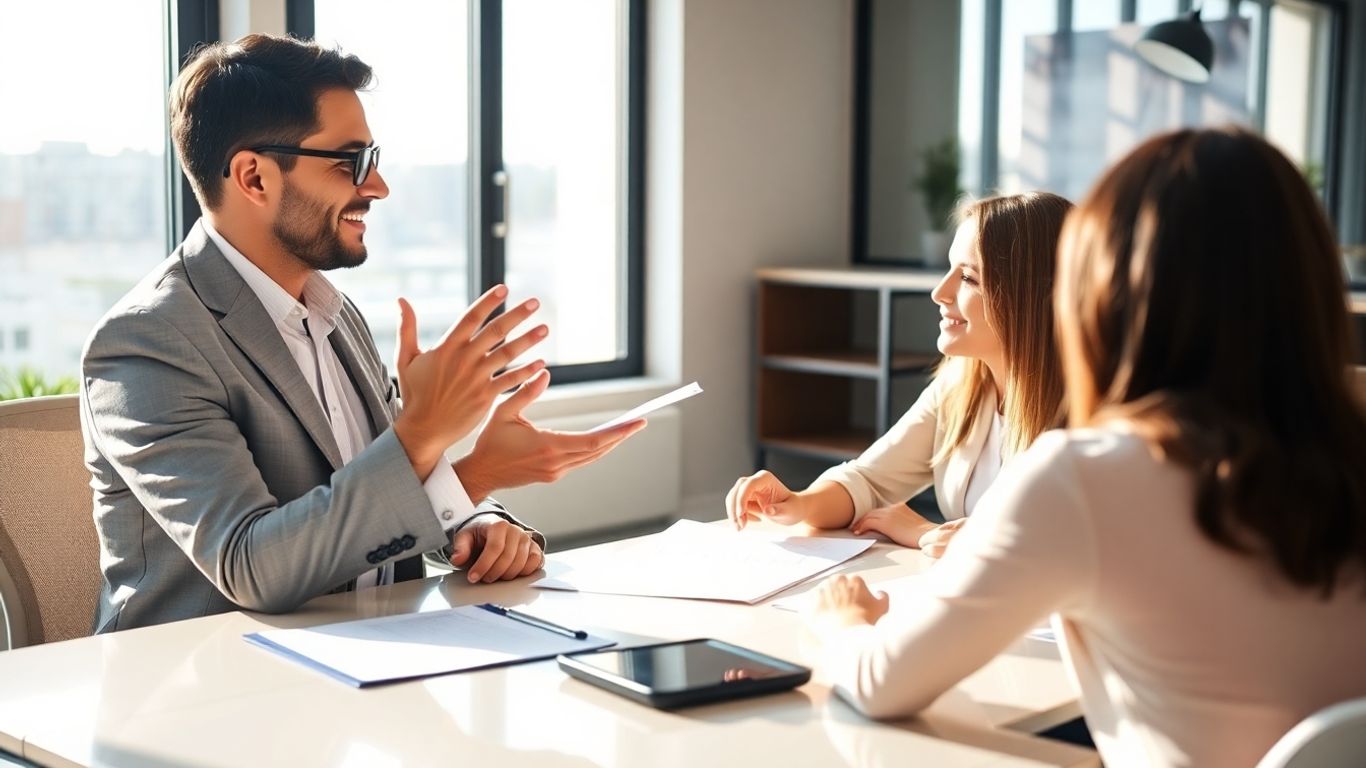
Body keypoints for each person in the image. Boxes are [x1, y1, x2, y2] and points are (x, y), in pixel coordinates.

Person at [802, 127, 1366, 767]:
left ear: (1104, 292)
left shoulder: (1087, 477)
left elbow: (878, 683)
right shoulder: (1342, 455)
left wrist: (842, 621)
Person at [79, 34, 644, 633]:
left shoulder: (335, 314)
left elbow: (385, 482)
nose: (377, 186)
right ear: (254, 177)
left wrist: (477, 508)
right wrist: (426, 434)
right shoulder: (148, 343)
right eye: (351, 162)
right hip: (205, 675)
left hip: (369, 648)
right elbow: (252, 567)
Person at [726, 192, 1071, 556]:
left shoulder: (1083, 420)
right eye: (949, 270)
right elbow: (869, 481)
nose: (939, 292)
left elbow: (1043, 546)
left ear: (1032, 297)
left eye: (968, 278)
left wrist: (921, 531)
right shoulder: (960, 389)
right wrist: (797, 503)